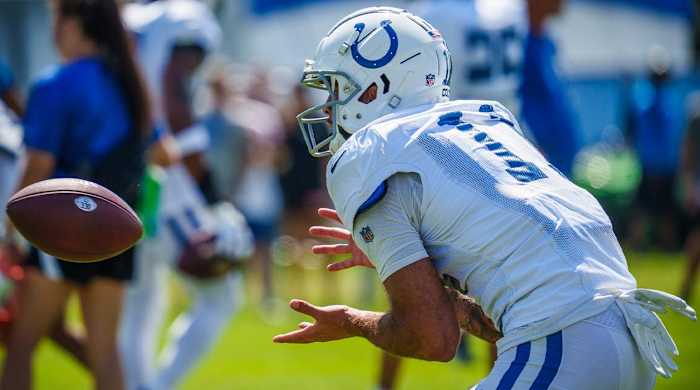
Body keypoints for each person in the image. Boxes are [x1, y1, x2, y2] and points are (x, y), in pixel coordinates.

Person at [273, 7, 696, 390]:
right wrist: (414, 267)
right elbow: (501, 319)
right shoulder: (486, 122)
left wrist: (351, 321)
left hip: (562, 342)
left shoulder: (370, 152)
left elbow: (431, 338)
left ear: (375, 87)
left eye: (336, 89)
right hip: (628, 342)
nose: (327, 107)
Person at [0, 1, 152, 389]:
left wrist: (8, 230)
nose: (53, 32)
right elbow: (159, 152)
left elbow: (39, 167)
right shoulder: (130, 82)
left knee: (20, 345)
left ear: (74, 23)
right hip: (115, 227)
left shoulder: (56, 83)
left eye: (56, 20)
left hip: (62, 225)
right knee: (105, 351)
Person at [120, 2, 253, 389]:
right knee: (221, 296)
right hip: (168, 176)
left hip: (126, 172)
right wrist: (211, 195)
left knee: (139, 304)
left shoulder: (135, 19)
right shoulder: (184, 15)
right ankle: (159, 386)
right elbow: (172, 94)